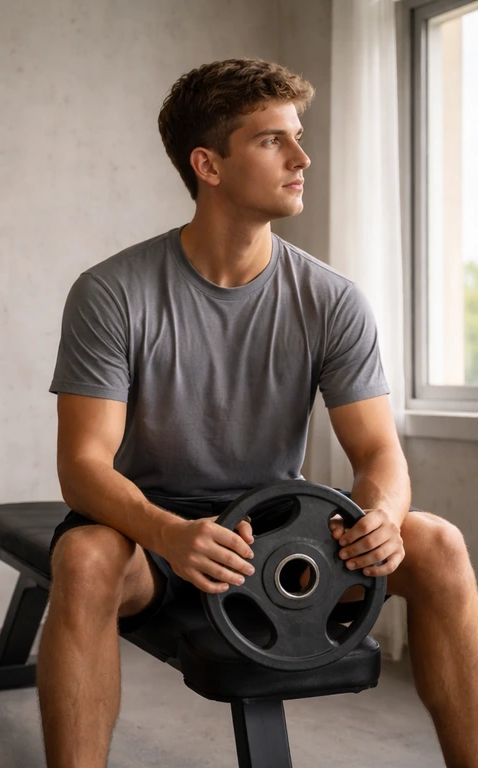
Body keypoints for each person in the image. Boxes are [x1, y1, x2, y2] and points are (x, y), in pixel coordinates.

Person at [39, 58, 478, 768]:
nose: (302, 158)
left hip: (276, 532)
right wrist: (172, 533)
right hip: (153, 537)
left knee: (438, 544)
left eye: (297, 137)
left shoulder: (332, 299)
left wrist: (382, 517)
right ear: (208, 164)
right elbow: (83, 467)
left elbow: (379, 455)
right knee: (84, 558)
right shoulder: (112, 293)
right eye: (273, 140)